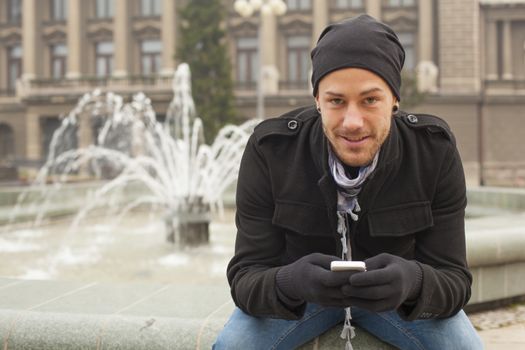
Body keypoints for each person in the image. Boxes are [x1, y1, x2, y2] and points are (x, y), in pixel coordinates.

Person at [214, 14, 483, 350]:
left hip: (397, 304)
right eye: (336, 101)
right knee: (233, 346)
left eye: (370, 100)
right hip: (299, 304)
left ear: (395, 99)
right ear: (317, 100)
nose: (353, 122)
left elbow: (455, 281)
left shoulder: (433, 151)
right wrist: (291, 281)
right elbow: (244, 279)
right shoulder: (271, 150)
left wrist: (411, 281)